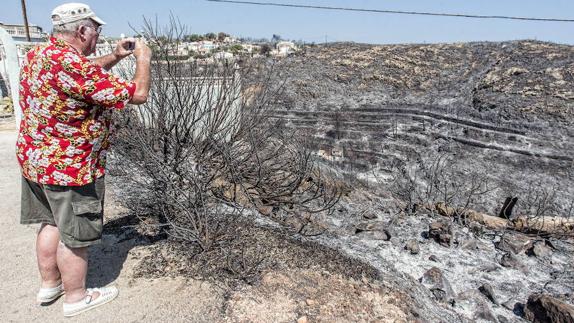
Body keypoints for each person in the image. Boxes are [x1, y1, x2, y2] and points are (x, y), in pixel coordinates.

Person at [16, 2, 151, 317]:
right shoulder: (76, 66)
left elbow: (81, 74)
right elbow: (139, 94)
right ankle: (76, 296)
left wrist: (116, 56)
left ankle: (50, 286)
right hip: (71, 167)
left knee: (50, 222)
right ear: (82, 31)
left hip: (37, 161)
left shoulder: (40, 56)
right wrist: (143, 59)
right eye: (96, 30)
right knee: (75, 235)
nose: (97, 35)